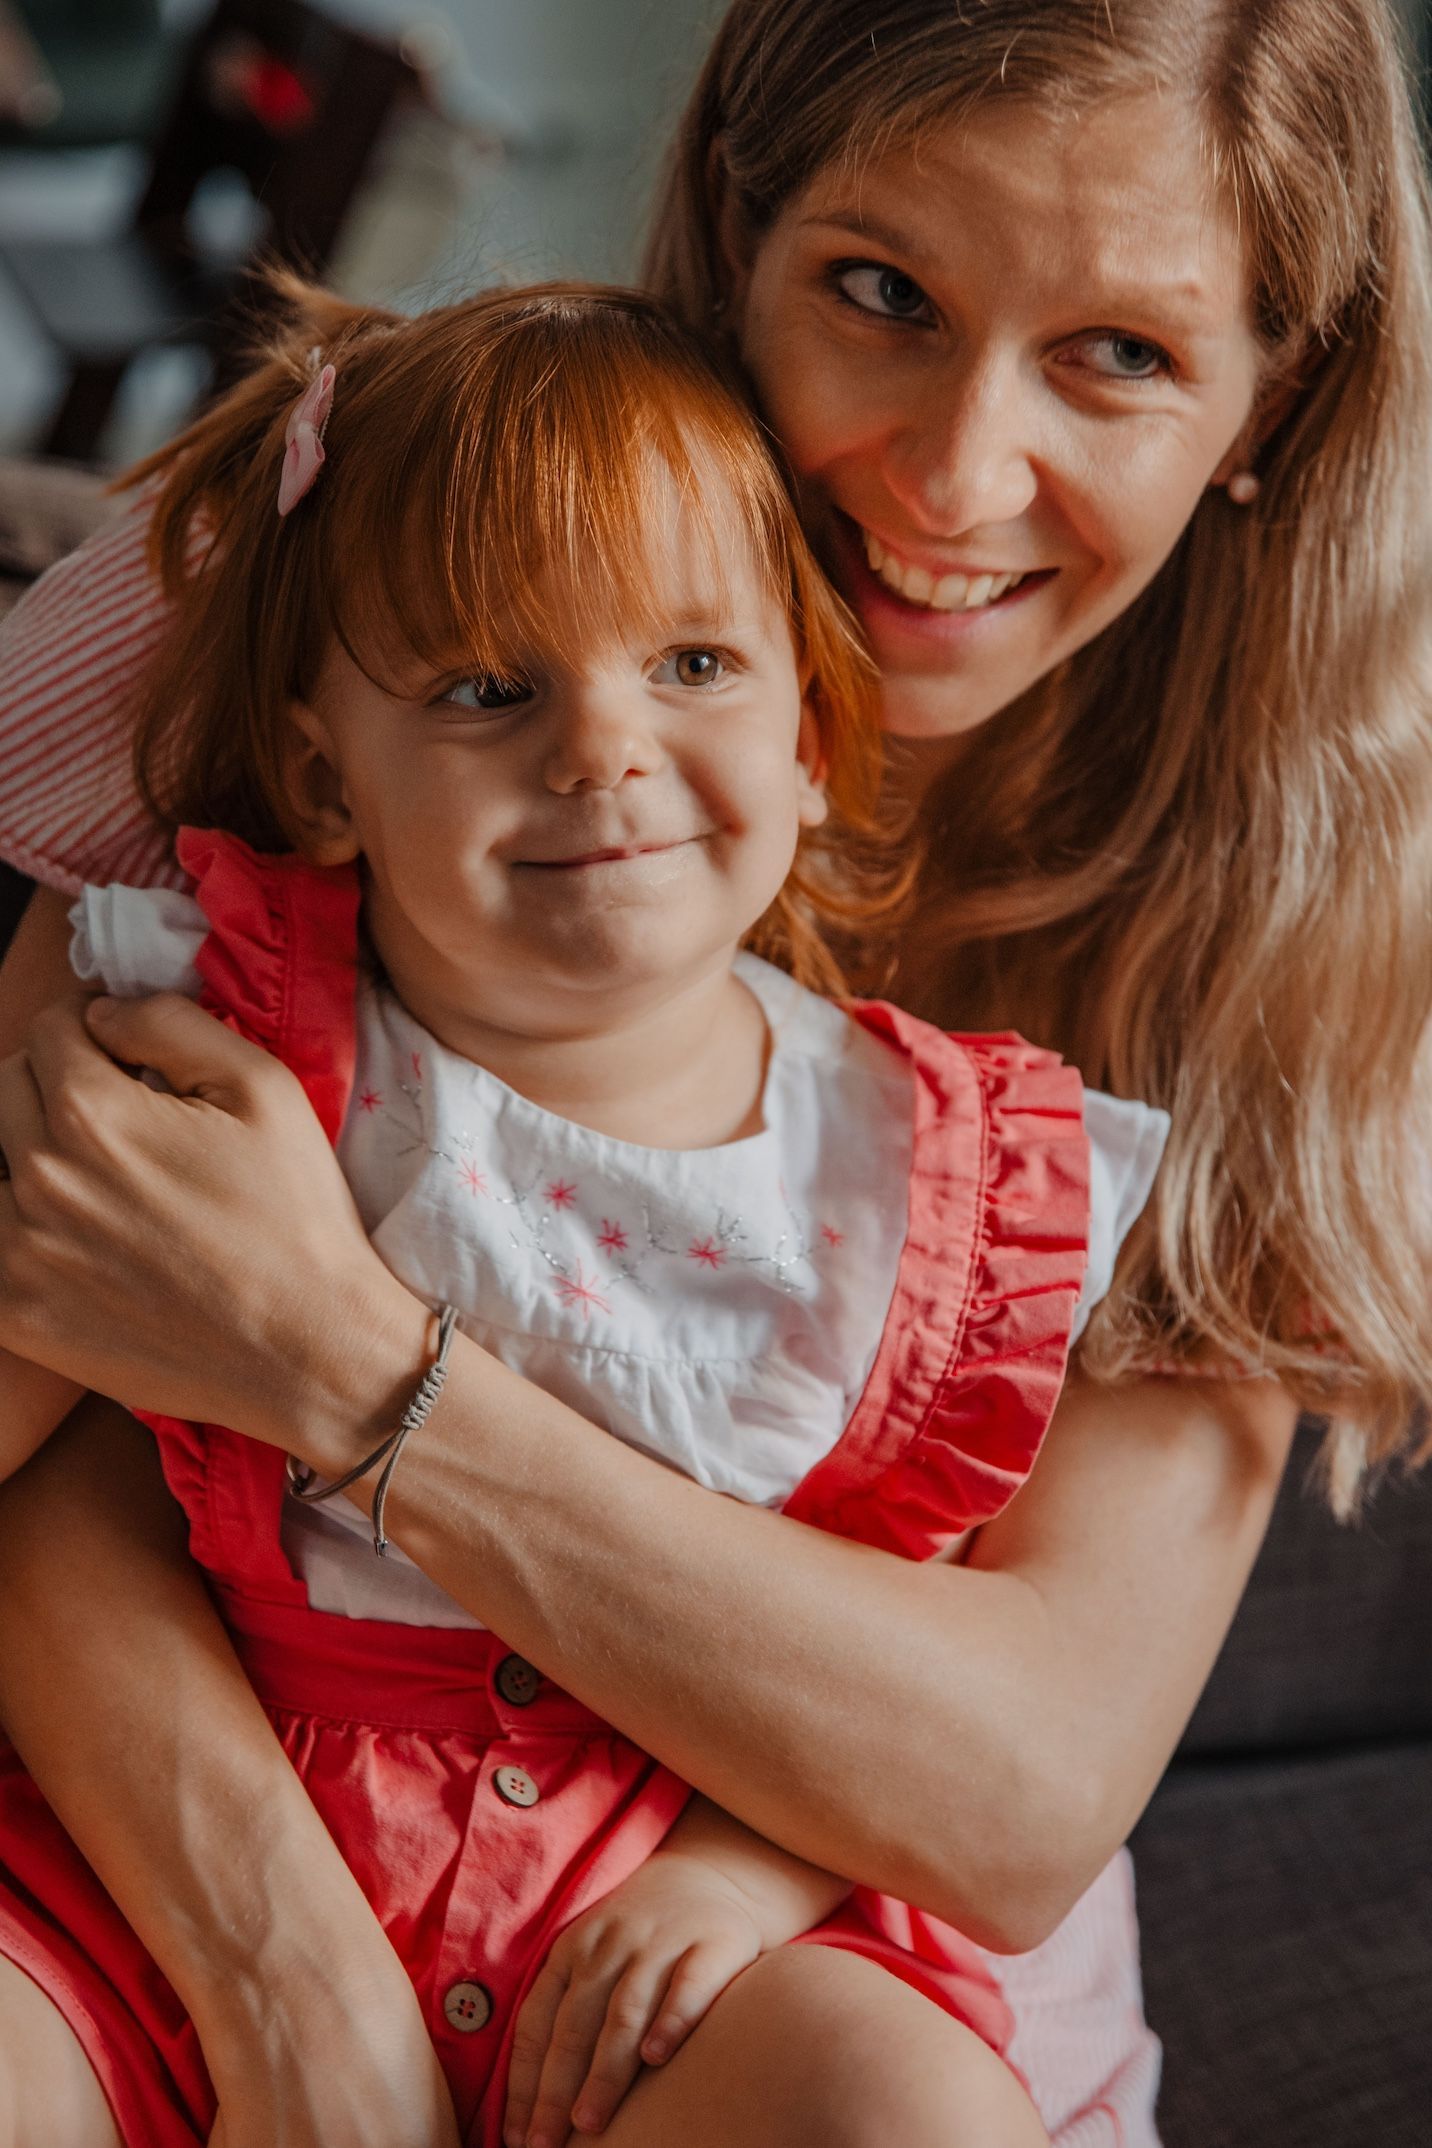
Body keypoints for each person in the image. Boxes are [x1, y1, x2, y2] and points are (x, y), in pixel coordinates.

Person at [0, 1, 1427, 2144]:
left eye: (1116, 356)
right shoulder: (334, 566)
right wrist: (295, 1995)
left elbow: (1003, 1789)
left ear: (1267, 400)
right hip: (186, 1872)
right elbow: (58, 1385)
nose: (950, 481)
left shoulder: (1297, 939)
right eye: (878, 295)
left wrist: (338, 1361)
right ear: (736, 232)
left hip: (775, 1973)